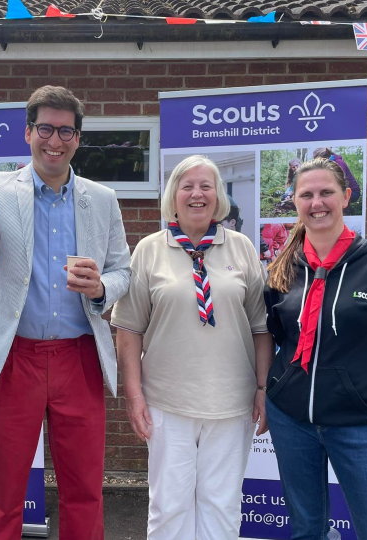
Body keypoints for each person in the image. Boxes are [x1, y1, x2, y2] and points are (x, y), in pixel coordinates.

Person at [0, 85, 131, 540]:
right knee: (4, 492)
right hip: (14, 358)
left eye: (65, 131)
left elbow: (122, 270)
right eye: (45, 128)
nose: (55, 140)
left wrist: (102, 287)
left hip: (79, 358)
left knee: (85, 490)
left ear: (77, 138)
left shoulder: (102, 198)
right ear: (28, 133)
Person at [111, 155, 273, 540]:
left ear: (218, 197)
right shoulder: (149, 250)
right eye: (187, 186)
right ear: (173, 195)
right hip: (167, 402)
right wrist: (133, 396)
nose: (197, 194)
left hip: (233, 403)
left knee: (222, 506)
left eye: (206, 186)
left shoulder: (243, 249)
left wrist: (264, 388)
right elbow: (128, 330)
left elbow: (261, 328)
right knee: (169, 507)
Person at [263, 158, 367, 540]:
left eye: (326, 193)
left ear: (346, 197)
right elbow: (274, 333)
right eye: (307, 194)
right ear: (296, 202)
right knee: (306, 529)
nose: (316, 202)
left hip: (360, 424)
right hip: (291, 420)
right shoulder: (283, 268)